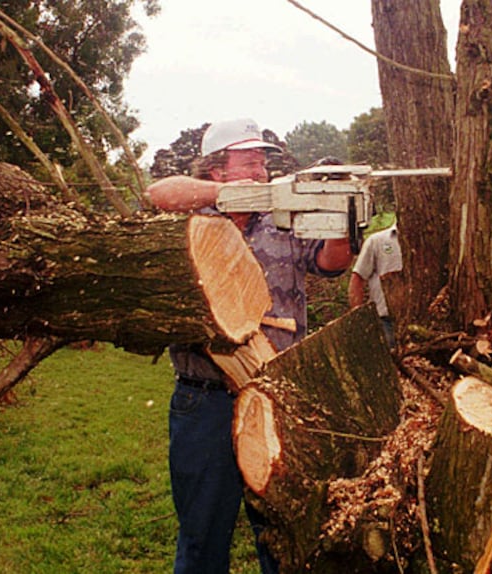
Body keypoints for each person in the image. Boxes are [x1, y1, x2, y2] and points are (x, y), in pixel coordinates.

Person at [146, 118, 352, 574]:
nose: (260, 170)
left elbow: (331, 263)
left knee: (282, 532)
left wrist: (342, 219)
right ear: (217, 170)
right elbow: (157, 192)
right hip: (205, 402)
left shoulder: (284, 219)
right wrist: (223, 198)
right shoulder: (188, 221)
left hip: (278, 395)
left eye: (262, 161)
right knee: (202, 535)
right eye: (249, 161)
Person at [348, 223, 402, 347]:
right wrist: (360, 319)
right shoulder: (377, 241)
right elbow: (358, 278)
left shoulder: (429, 241)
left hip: (420, 322)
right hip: (384, 321)